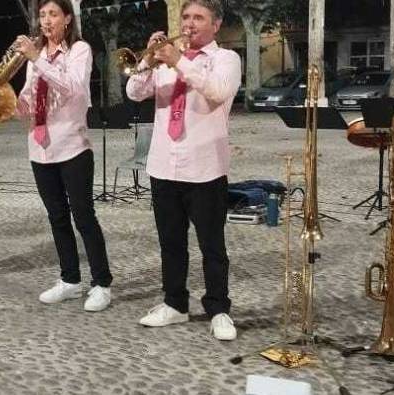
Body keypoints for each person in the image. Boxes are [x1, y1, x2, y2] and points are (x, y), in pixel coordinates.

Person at [125, 0, 241, 340]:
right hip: (164, 164)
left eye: (198, 17)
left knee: (212, 245)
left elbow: (217, 90)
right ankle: (175, 304)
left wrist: (179, 61)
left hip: (204, 167)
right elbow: (134, 92)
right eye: (186, 16)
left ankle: (218, 308)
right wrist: (149, 57)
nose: (189, 23)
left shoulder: (226, 59)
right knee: (170, 242)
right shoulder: (164, 60)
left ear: (215, 25)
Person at [14, 0, 112, 312]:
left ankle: (101, 283)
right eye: (42, 15)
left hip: (72, 146)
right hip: (40, 147)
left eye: (53, 14)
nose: (46, 20)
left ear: (67, 18)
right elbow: (32, 94)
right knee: (56, 217)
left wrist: (36, 60)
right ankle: (70, 279)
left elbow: (72, 88)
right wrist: (12, 101)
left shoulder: (79, 50)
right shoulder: (37, 57)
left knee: (84, 217)